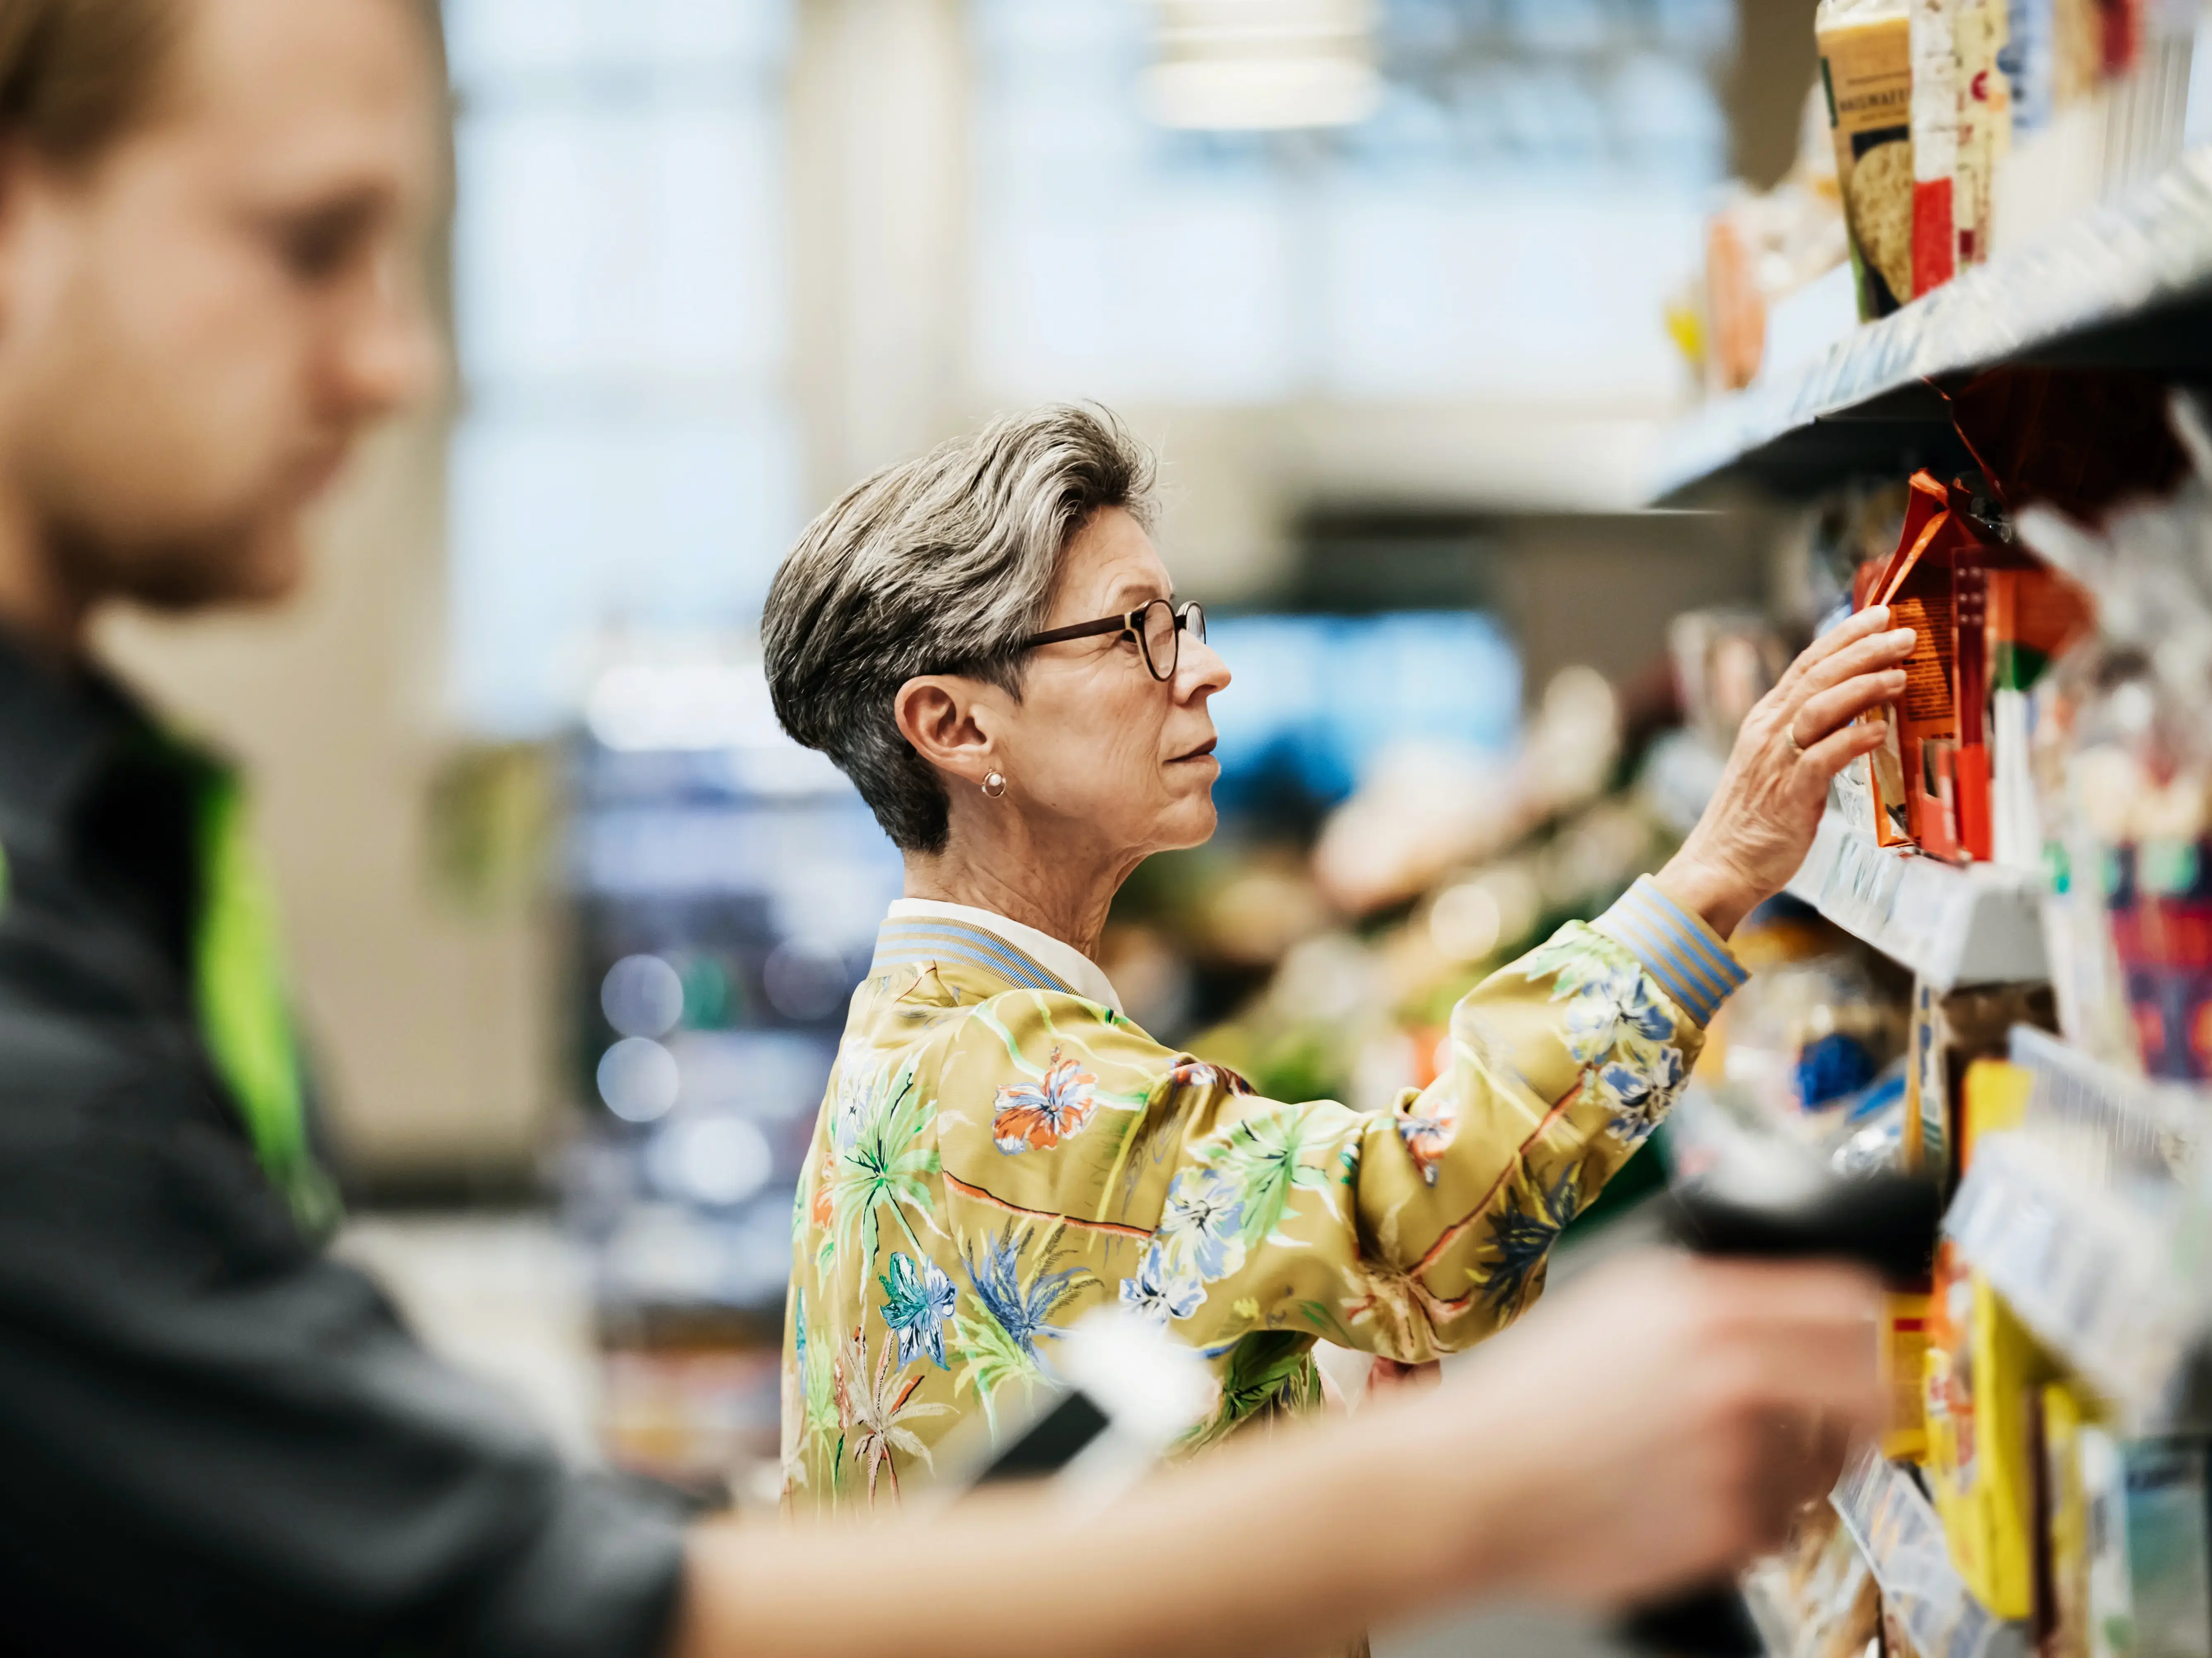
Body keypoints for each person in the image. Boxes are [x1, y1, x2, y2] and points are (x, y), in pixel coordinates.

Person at [0, 0, 1894, 1654]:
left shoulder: (77, 840)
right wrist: (1485, 1476)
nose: (403, 361)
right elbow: (514, 1607)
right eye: (308, 242)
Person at [762, 407, 1915, 1510]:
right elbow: (1416, 1215)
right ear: (957, 728)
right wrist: (1715, 871)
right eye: (1136, 633)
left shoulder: (926, 1038)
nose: (1206, 670)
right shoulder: (1009, 1081)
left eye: (1187, 621)